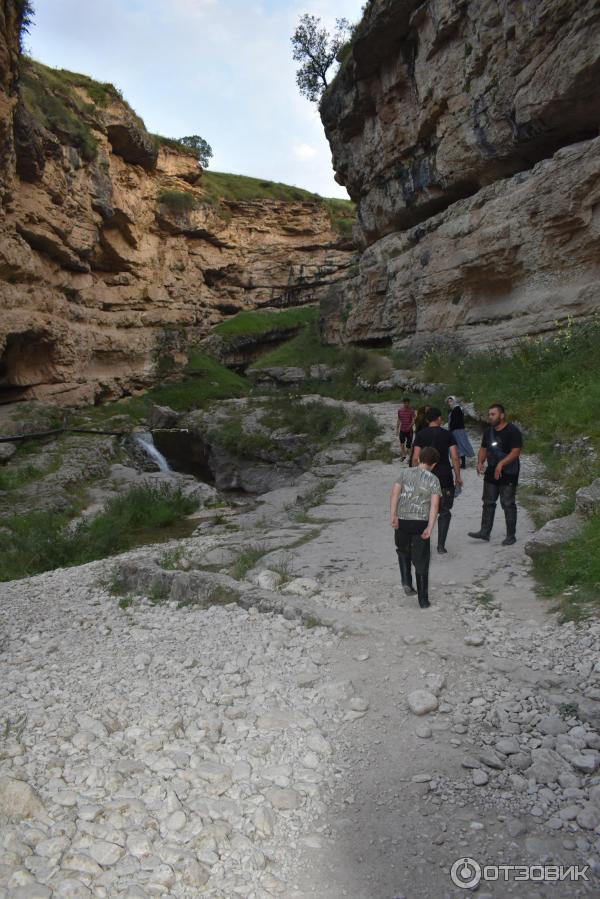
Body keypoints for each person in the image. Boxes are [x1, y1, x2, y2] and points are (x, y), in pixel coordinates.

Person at [390, 446, 441, 609]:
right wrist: (430, 527)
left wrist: (393, 515)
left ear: (418, 459)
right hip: (420, 524)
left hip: (403, 520)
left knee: (402, 550)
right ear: (434, 465)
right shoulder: (433, 479)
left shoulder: (404, 473)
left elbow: (395, 494)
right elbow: (434, 506)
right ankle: (423, 601)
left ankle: (406, 580)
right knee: (421, 560)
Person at [468, 403, 523, 546]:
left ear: (502, 415)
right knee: (488, 501)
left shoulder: (512, 431)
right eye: (489, 414)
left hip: (509, 471)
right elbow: (483, 448)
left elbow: (516, 451)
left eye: (493, 414)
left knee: (507, 503)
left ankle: (511, 535)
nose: (490, 417)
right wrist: (480, 462)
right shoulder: (489, 431)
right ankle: (484, 531)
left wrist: (502, 463)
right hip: (492, 470)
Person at [412, 407, 463, 554]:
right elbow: (454, 456)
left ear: (427, 420)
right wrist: (458, 477)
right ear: (439, 419)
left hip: (425, 478)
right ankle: (441, 545)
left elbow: (415, 458)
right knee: (444, 511)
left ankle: (422, 543)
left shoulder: (421, 435)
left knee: (424, 511)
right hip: (445, 476)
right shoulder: (448, 434)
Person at [446, 395, 475, 469]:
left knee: (459, 446)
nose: (449, 403)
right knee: (459, 446)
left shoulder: (457, 409)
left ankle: (462, 464)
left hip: (457, 430)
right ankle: (460, 463)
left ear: (454, 401)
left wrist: (451, 430)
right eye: (449, 401)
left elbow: (455, 422)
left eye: (451, 401)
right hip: (457, 430)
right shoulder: (455, 409)